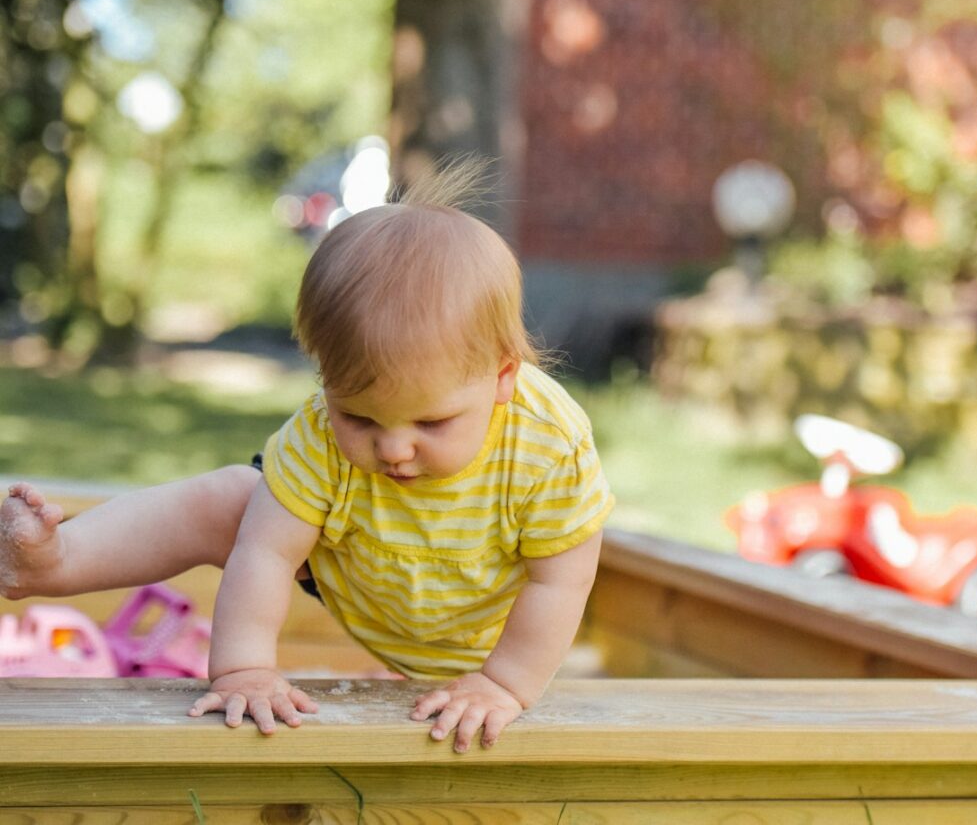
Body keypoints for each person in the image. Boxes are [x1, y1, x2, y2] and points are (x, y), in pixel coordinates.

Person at [0, 166, 613, 752]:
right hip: (361, 570)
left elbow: (561, 579)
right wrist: (243, 669)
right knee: (232, 500)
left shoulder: (546, 446)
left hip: (491, 627)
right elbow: (266, 552)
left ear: (503, 377)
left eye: (431, 423)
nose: (393, 449)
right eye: (360, 418)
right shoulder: (319, 430)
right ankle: (56, 560)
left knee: (529, 611)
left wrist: (503, 683)